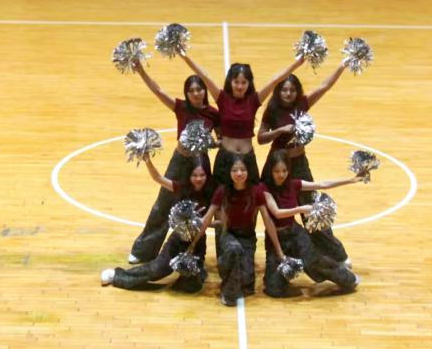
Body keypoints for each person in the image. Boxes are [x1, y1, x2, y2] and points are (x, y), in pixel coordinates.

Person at [257, 60, 352, 264]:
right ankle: (277, 254)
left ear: (297, 91)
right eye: (284, 90)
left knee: (312, 208)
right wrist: (280, 131)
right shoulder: (272, 110)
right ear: (278, 92)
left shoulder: (302, 104)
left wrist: (342, 66)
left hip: (299, 163)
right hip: (277, 165)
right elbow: (261, 138)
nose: (288, 93)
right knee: (271, 209)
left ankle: (336, 255)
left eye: (292, 90)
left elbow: (324, 86)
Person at [127, 60, 219, 264]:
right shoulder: (181, 108)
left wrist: (210, 142)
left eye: (199, 89)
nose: (196, 94)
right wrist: (141, 71)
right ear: (186, 93)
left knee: (197, 207)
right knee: (163, 204)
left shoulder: (213, 114)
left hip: (200, 163)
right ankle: (143, 251)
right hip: (180, 160)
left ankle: (190, 250)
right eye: (191, 91)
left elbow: (221, 139)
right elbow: (158, 91)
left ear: (205, 91)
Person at [179, 52, 305, 187]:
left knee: (252, 195)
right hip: (225, 158)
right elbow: (204, 76)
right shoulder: (222, 98)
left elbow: (275, 80)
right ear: (230, 82)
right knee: (221, 196)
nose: (240, 86)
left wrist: (297, 63)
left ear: (249, 83)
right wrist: (185, 57)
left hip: (247, 158)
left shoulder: (254, 100)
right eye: (236, 82)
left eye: (244, 82)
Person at [101, 155, 213, 293]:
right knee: (158, 269)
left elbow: (218, 221)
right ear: (189, 175)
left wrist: (200, 223)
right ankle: (117, 275)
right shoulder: (182, 187)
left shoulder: (212, 192)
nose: (198, 179)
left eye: (202, 175)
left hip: (197, 243)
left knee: (191, 285)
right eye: (194, 175)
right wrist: (148, 160)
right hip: (178, 240)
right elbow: (158, 178)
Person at [261, 150, 362, 297]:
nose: (281, 175)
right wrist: (280, 253)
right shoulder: (264, 189)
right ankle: (281, 279)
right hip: (276, 238)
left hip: (295, 233)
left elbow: (322, 184)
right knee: (273, 289)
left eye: (284, 171)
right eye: (277, 171)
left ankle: (349, 279)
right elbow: (276, 213)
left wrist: (351, 180)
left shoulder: (293, 184)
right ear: (270, 171)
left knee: (315, 261)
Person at [193, 157, 285, 306]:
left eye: (243, 170)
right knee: (233, 249)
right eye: (235, 170)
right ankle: (228, 294)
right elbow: (207, 217)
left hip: (247, 237)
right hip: (228, 234)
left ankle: (232, 273)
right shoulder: (222, 191)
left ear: (248, 171)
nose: (239, 173)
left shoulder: (256, 191)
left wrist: (279, 251)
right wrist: (191, 246)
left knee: (246, 283)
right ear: (229, 173)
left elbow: (268, 221)